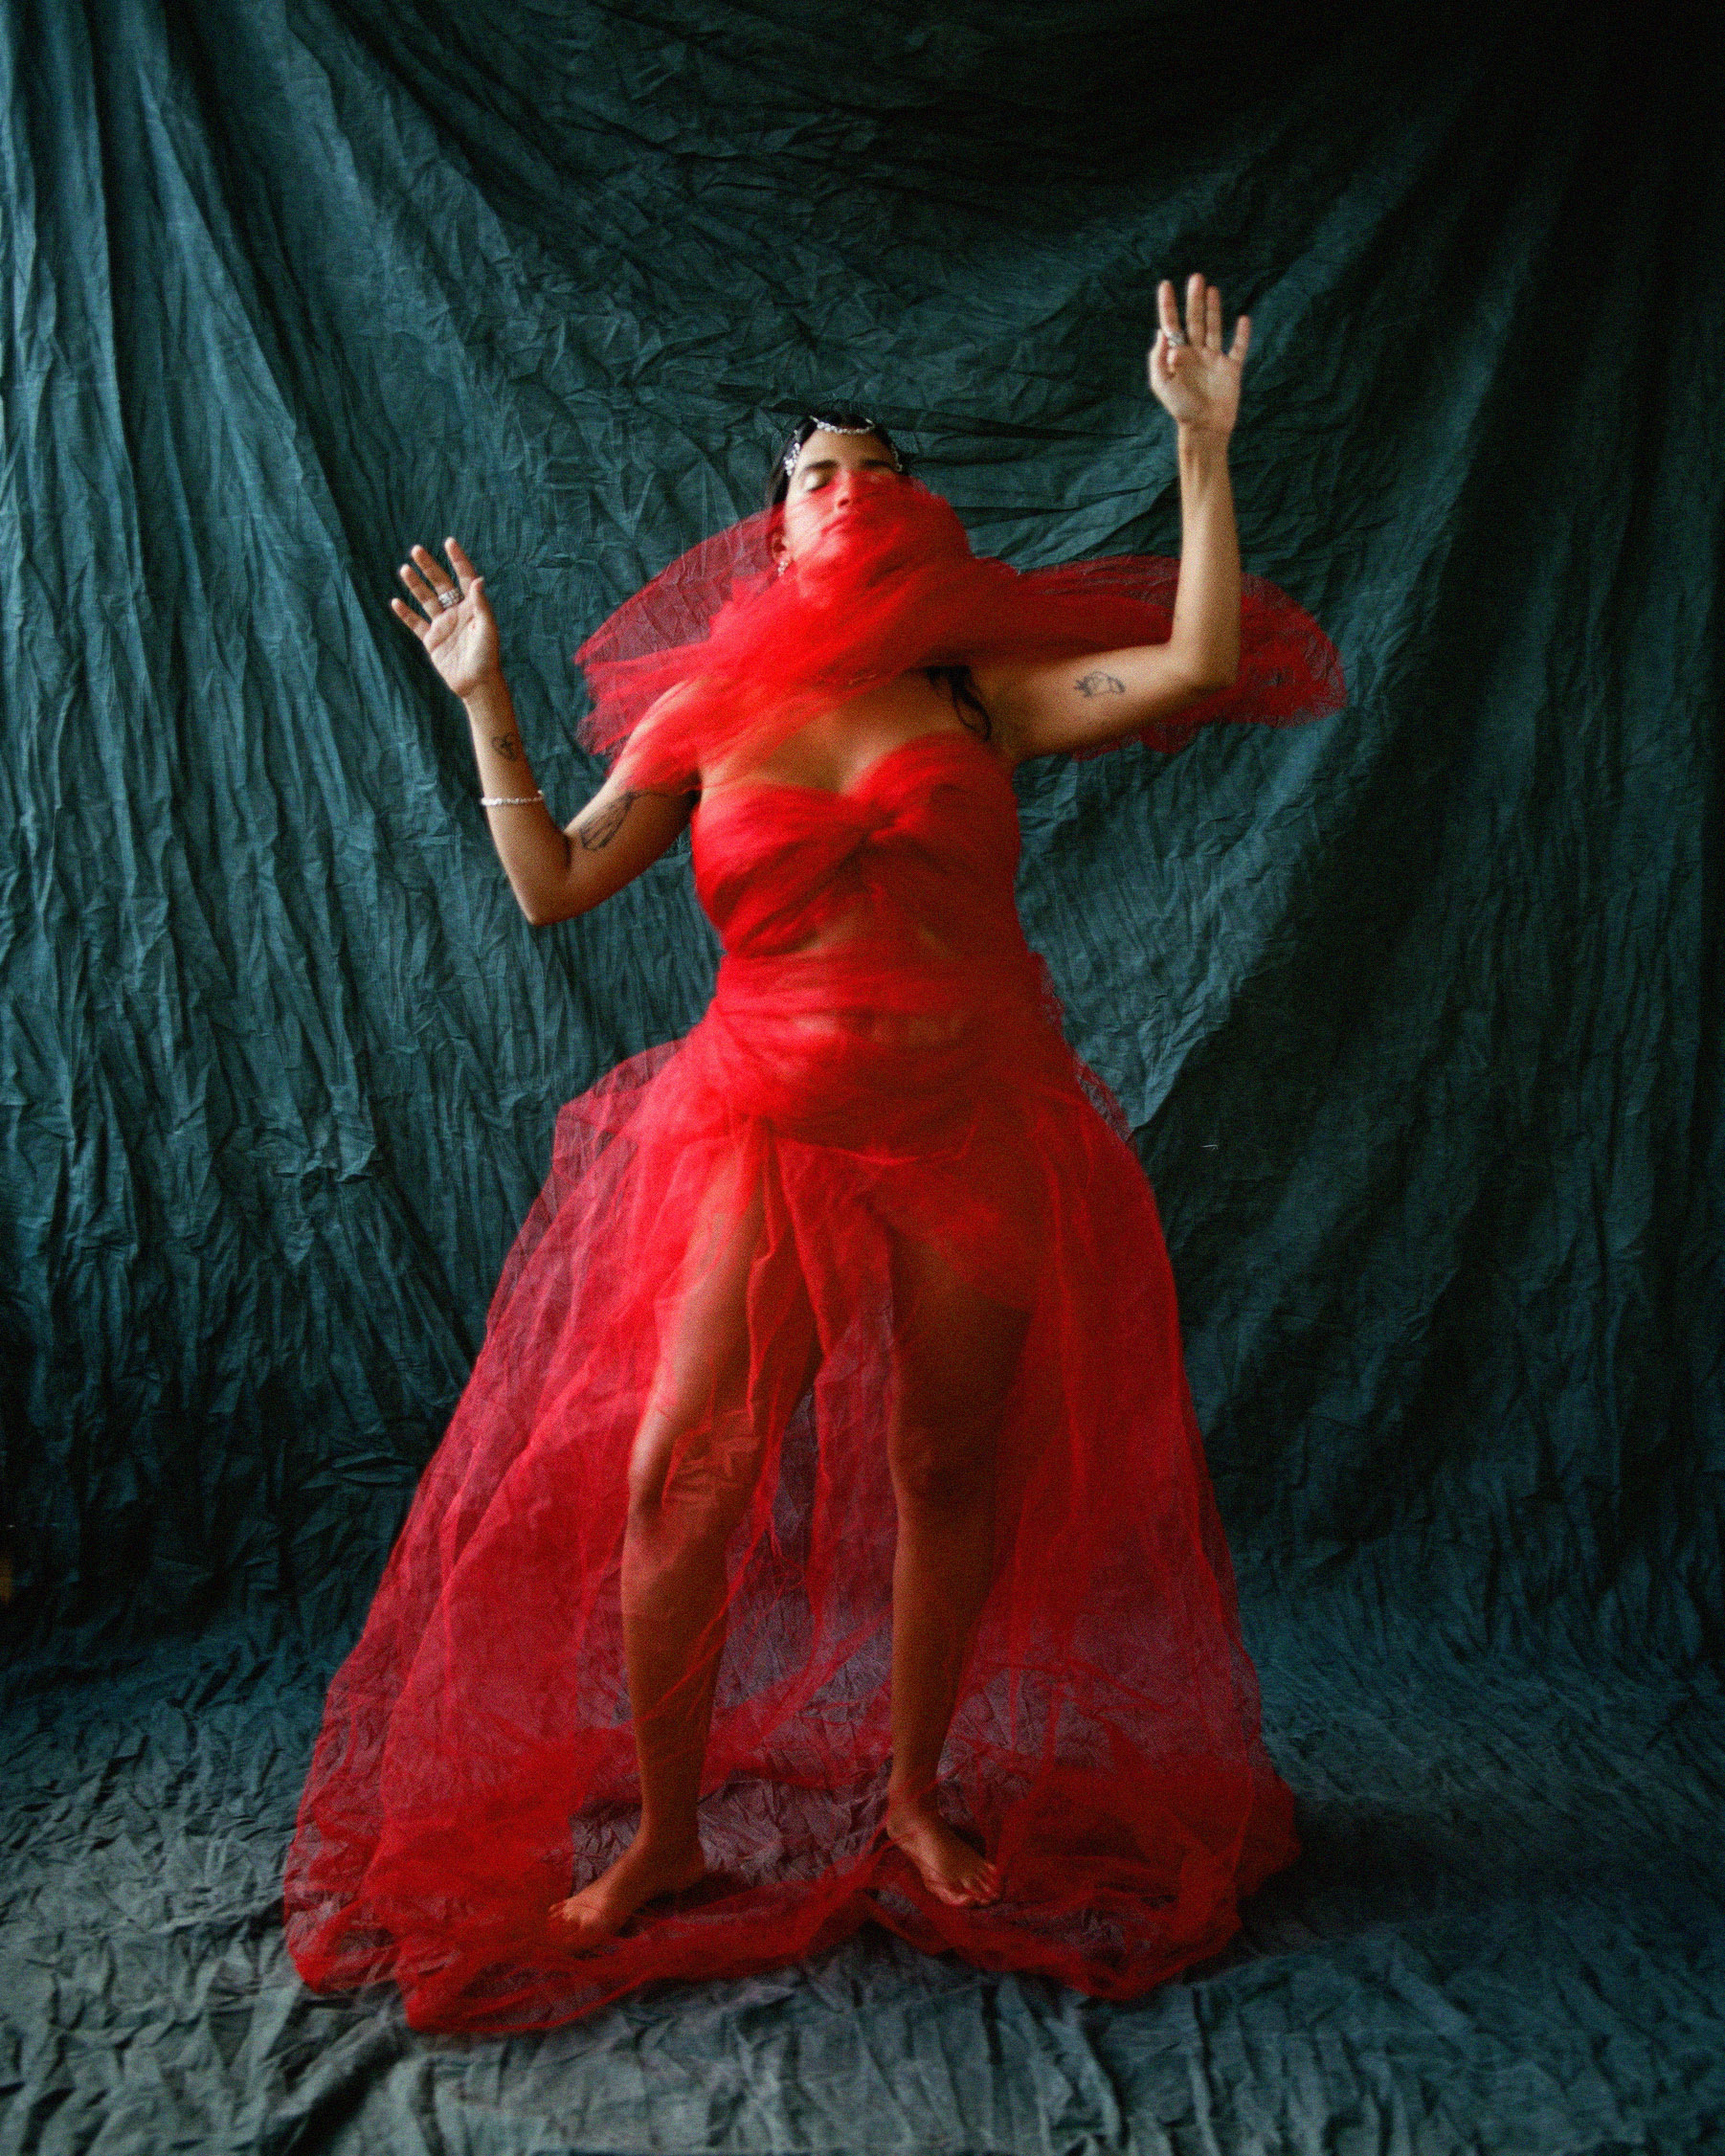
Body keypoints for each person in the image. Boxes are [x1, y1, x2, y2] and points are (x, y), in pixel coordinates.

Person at [285, 276, 1342, 2033]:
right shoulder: (701, 713)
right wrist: (483, 700)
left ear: (916, 515)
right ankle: (667, 1836)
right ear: (773, 528)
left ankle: (915, 1793)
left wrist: (1200, 452)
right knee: (679, 1478)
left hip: (971, 1116)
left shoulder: (976, 696)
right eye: (813, 474)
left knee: (944, 1461)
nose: (846, 487)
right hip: (759, 1120)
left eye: (872, 470)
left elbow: (1198, 664)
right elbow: (552, 887)